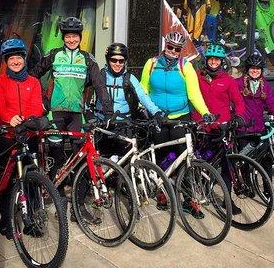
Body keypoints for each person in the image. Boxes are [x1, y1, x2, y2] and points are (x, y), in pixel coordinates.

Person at [32, 16, 112, 223]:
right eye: (68, 36)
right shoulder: (54, 55)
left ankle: (78, 208)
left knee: (80, 160)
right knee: (57, 158)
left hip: (77, 113)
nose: (71, 40)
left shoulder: (87, 58)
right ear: (63, 37)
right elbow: (33, 76)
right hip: (56, 113)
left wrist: (108, 107)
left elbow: (100, 84)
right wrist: (40, 100)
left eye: (74, 36)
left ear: (80, 37)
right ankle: (56, 200)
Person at [140, 31, 215, 218]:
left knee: (184, 159)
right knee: (160, 157)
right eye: (170, 47)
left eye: (177, 49)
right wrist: (145, 109)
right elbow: (143, 90)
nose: (173, 51)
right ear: (165, 45)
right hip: (157, 118)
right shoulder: (151, 64)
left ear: (181, 50)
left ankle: (188, 200)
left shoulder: (185, 66)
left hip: (180, 117)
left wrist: (205, 112)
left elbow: (194, 94)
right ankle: (162, 193)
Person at [0, 37, 45, 239]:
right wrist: (8, 117)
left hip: (28, 136)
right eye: (11, 58)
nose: (15, 61)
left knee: (30, 181)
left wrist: (28, 120)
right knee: (7, 183)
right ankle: (7, 221)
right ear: (5, 61)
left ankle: (31, 221)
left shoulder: (34, 82)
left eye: (18, 57)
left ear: (24, 58)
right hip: (7, 137)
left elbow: (37, 107)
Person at [192, 43, 246, 214]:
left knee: (226, 164)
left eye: (217, 59)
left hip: (222, 128)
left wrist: (238, 116)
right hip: (202, 128)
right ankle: (197, 196)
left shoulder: (228, 80)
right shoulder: (197, 77)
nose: (214, 62)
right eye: (211, 59)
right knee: (201, 162)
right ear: (206, 60)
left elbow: (238, 102)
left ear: (222, 61)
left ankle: (227, 199)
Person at [95, 43, 164, 157]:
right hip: (102, 124)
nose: (117, 64)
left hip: (123, 124)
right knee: (102, 162)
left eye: (121, 61)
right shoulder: (100, 76)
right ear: (108, 60)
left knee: (122, 161)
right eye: (114, 60)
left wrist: (156, 112)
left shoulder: (129, 78)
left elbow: (142, 96)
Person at [236, 52, 274, 202]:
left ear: (261, 70)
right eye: (252, 68)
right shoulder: (238, 83)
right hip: (243, 129)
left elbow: (271, 105)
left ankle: (268, 190)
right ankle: (247, 186)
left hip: (259, 128)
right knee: (245, 159)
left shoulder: (264, 85)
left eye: (258, 69)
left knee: (266, 160)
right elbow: (232, 102)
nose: (255, 71)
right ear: (247, 69)